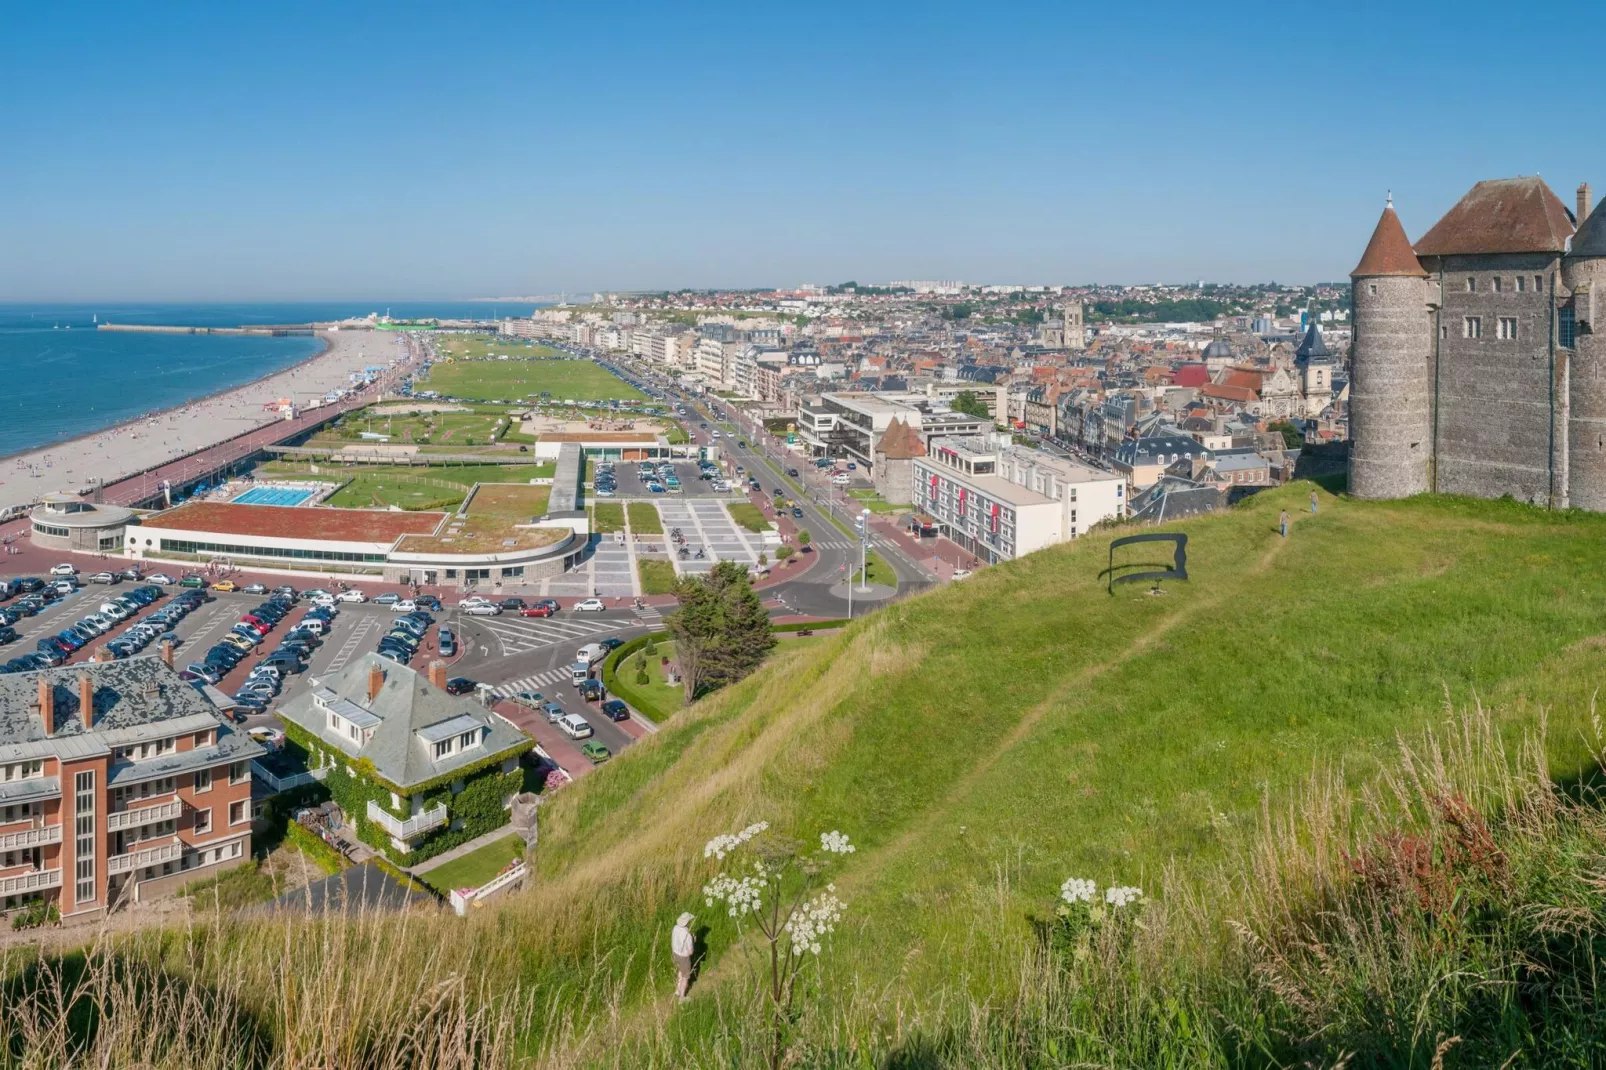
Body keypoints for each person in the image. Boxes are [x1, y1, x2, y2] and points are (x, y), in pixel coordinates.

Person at [672, 912, 696, 1000]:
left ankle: (677, 990)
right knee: (685, 976)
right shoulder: (688, 935)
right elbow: (690, 952)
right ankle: (682, 997)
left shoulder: (675, 928)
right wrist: (693, 941)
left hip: (675, 954)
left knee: (680, 971)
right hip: (684, 957)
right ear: (687, 923)